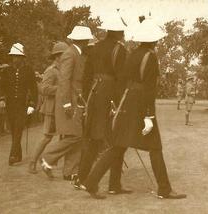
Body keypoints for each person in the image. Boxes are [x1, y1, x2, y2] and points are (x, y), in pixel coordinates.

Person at [84, 18, 187, 200]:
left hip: (127, 102)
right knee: (155, 147)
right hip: (140, 105)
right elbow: (149, 89)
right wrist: (149, 116)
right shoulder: (151, 57)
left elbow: (122, 82)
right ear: (154, 40)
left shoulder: (132, 54)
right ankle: (164, 189)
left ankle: (96, 183)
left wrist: (120, 105)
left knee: (118, 146)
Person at [74, 14, 127, 191]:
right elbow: (120, 80)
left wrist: (87, 97)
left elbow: (87, 76)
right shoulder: (120, 50)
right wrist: (119, 104)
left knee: (93, 139)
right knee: (117, 139)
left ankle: (82, 178)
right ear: (118, 32)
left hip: (93, 96)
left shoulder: (94, 48)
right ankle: (113, 185)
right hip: (110, 96)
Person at [41, 26, 93, 179]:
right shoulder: (70, 54)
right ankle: (48, 157)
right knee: (75, 135)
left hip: (74, 100)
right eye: (87, 40)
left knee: (76, 136)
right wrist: (67, 104)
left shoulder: (76, 53)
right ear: (83, 40)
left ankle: (70, 172)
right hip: (69, 101)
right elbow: (64, 80)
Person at [28, 41, 69, 174]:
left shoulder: (65, 69)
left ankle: (48, 163)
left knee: (64, 137)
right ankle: (33, 162)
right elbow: (44, 89)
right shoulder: (51, 71)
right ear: (57, 57)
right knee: (47, 137)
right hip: (51, 110)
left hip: (61, 109)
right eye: (64, 55)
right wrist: (61, 89)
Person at [0, 43, 38, 166]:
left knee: (18, 128)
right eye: (13, 56)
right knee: (13, 129)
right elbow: (1, 87)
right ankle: (18, 155)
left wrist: (32, 104)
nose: (15, 59)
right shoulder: (6, 71)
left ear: (22, 58)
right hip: (10, 105)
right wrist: (1, 99)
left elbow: (34, 89)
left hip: (22, 105)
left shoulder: (28, 71)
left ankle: (13, 155)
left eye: (18, 56)